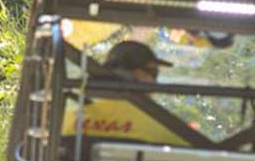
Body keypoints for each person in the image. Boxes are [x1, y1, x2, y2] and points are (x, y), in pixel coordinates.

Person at [60, 40, 190, 147]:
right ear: (137, 74)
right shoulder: (162, 126)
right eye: (154, 73)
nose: (155, 82)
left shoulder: (70, 119)